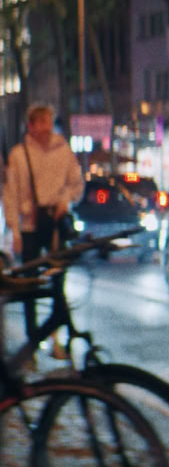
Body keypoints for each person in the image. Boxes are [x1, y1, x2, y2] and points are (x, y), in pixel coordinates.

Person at [2, 103, 85, 338]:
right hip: (30, 225)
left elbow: (76, 184)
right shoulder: (19, 155)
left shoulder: (63, 150)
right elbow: (11, 194)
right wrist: (15, 231)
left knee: (58, 282)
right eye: (40, 122)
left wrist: (65, 201)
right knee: (30, 284)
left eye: (48, 121)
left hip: (56, 222)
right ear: (30, 126)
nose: (45, 128)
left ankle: (57, 337)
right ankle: (32, 340)